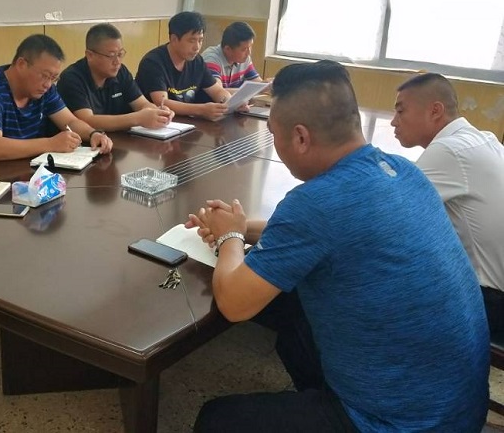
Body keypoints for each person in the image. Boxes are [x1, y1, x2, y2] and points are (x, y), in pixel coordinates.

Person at [185, 60, 489, 432]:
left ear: (300, 137)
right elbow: (315, 233)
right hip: (460, 405)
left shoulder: (316, 203)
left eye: (275, 135)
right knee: (295, 314)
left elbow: (234, 303)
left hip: (406, 423)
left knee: (217, 420)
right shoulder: (402, 170)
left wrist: (230, 237)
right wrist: (239, 226)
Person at [392, 72, 504, 336]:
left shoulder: (449, 150)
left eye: (401, 110)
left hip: (490, 303)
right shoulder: (484, 139)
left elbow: (388, 213)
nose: (394, 121)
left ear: (435, 111)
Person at [0, 34, 113, 165]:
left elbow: (70, 122)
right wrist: (51, 144)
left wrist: (93, 134)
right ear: (21, 64)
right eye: (44, 76)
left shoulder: (45, 90)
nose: (48, 84)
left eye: (53, 78)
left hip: (27, 173)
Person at [56, 23, 173, 131]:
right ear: (90, 55)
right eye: (111, 55)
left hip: (119, 139)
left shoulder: (120, 71)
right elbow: (87, 121)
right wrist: (137, 118)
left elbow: (142, 104)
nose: (117, 61)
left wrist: (158, 112)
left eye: (120, 54)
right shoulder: (71, 79)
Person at [135, 11, 235, 121]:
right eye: (192, 41)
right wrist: (202, 110)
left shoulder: (197, 61)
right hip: (159, 124)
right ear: (174, 39)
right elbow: (162, 102)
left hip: (187, 124)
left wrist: (229, 103)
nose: (197, 47)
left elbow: (217, 91)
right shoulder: (153, 62)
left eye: (200, 40)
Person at [201, 21, 264, 94]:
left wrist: (268, 85)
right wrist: (248, 91)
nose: (249, 53)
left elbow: (258, 84)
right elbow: (218, 91)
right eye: (244, 49)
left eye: (250, 47)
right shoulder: (211, 59)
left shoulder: (244, 59)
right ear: (227, 49)